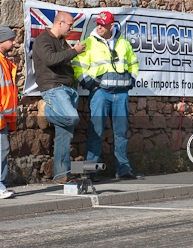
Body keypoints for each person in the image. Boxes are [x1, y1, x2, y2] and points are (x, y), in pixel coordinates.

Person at [72, 11, 142, 180]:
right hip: (100, 94)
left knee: (121, 133)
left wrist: (131, 80)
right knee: (95, 132)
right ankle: (91, 171)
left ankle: (123, 170)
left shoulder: (124, 43)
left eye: (103, 25)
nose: (99, 27)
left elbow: (134, 63)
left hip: (121, 94)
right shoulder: (89, 43)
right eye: (98, 24)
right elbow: (78, 65)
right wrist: (90, 84)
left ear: (112, 26)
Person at [32, 11, 85, 183]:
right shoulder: (43, 40)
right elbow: (50, 59)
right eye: (70, 25)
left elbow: (65, 63)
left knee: (64, 134)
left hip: (68, 89)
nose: (71, 28)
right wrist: (74, 51)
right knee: (72, 118)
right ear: (60, 23)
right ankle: (46, 110)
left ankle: (61, 174)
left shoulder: (62, 41)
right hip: (54, 88)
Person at [0, 26, 18, 198]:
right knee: (1, 149)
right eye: (11, 40)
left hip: (3, 116)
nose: (14, 43)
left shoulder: (5, 62)